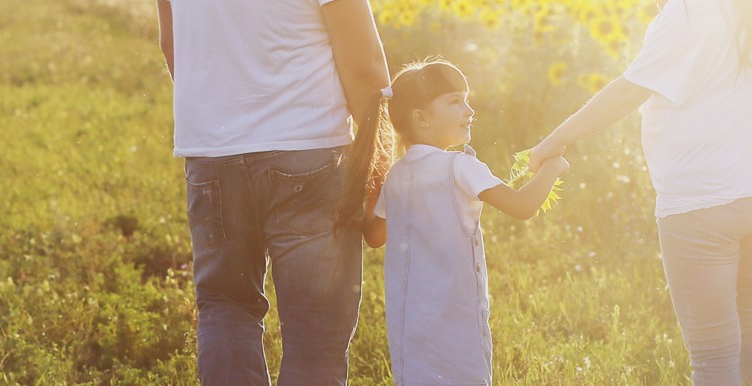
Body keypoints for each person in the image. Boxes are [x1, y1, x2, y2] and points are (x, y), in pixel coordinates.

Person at [523, 0, 752, 384]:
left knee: (713, 357)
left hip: (705, 199)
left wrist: (554, 141)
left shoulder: (690, 13)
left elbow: (630, 91)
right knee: (750, 331)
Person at [156, 0, 392, 383]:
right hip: (309, 150)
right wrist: (379, 175)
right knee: (316, 331)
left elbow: (173, 45)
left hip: (211, 156)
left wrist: (222, 118)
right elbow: (365, 67)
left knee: (225, 309)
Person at [364, 58, 571, 385]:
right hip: (456, 324)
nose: (469, 110)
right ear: (421, 118)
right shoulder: (460, 167)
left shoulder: (395, 175)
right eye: (455, 101)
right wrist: (553, 167)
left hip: (411, 324)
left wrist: (368, 187)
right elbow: (522, 206)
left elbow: (375, 236)